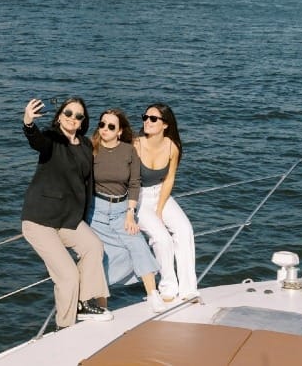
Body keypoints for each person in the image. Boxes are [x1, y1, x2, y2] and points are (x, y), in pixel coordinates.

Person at [20, 97, 111, 327]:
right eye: (68, 113)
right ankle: (65, 327)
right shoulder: (52, 139)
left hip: (68, 219)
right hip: (40, 220)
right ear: (59, 116)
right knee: (68, 276)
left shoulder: (86, 145)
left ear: (83, 122)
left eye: (78, 116)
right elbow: (37, 142)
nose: (72, 118)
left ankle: (84, 303)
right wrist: (29, 123)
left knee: (94, 246)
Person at [88, 109, 167, 313]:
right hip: (95, 210)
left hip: (122, 209)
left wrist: (130, 213)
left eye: (111, 126)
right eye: (102, 124)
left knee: (137, 243)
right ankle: (101, 305)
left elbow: (134, 183)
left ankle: (152, 294)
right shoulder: (91, 148)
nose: (105, 129)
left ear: (120, 131)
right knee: (102, 254)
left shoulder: (128, 151)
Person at [134, 102, 198, 302]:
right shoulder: (135, 144)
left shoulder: (172, 147)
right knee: (161, 238)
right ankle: (168, 287)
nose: (147, 122)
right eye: (145, 117)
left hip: (161, 194)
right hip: (139, 197)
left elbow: (169, 179)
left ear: (165, 124)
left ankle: (188, 289)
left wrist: (160, 209)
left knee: (185, 230)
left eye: (153, 118)